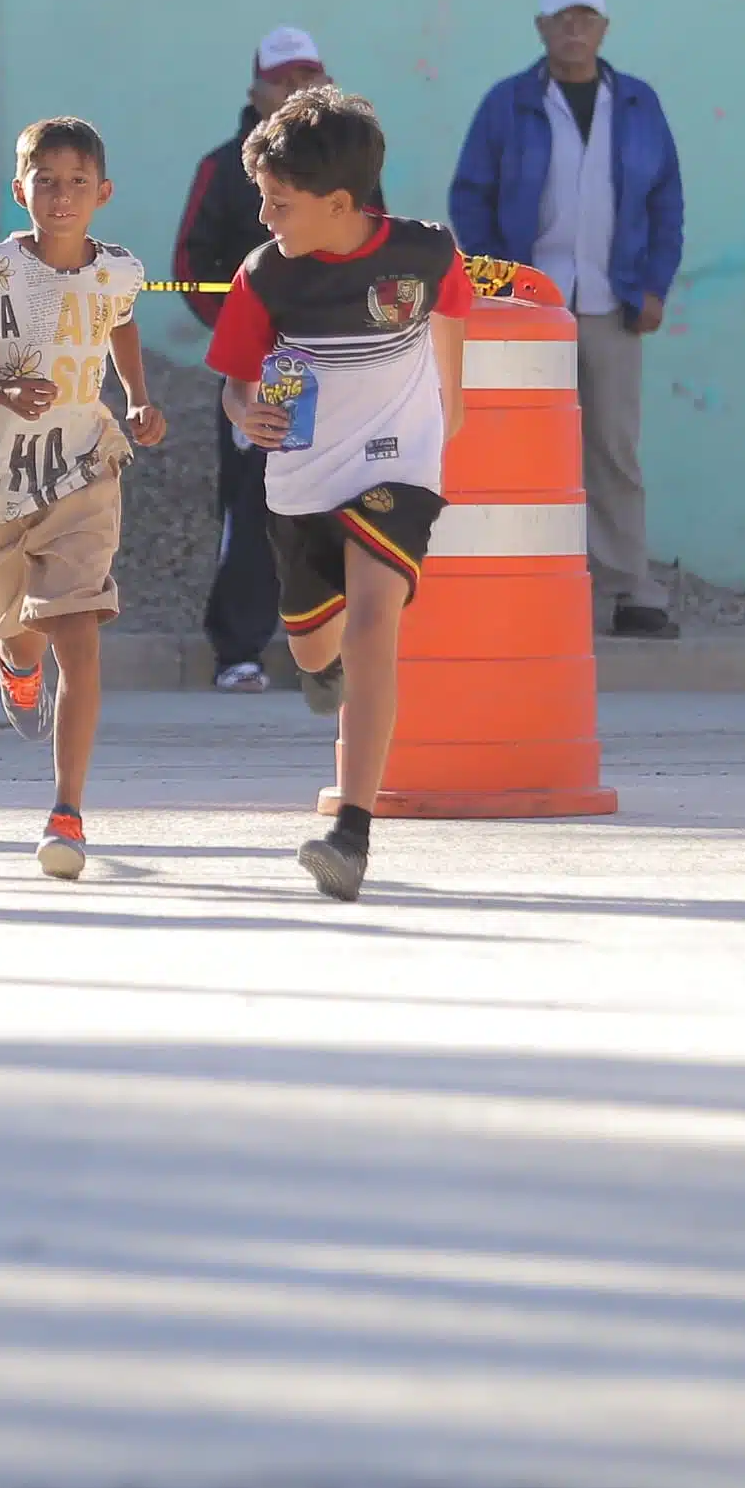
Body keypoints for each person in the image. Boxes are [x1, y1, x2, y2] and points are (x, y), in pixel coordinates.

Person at [206, 86, 473, 902]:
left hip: (398, 472)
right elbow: (235, 388)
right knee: (317, 651)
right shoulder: (264, 278)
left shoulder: (428, 256)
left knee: (371, 625)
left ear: (340, 204)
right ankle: (319, 675)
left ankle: (350, 833)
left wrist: (437, 439)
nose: (263, 218)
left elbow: (451, 353)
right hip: (300, 486)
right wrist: (247, 412)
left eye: (278, 203)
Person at [0, 117, 169, 880]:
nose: (61, 197)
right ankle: (15, 661)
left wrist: (137, 397)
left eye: (76, 183)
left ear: (102, 193)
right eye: (46, 182)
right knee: (18, 627)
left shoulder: (121, 272)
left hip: (84, 469)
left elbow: (123, 325)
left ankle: (67, 809)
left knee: (79, 633)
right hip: (2, 477)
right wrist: (4, 388)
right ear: (20, 190)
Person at [445, 0, 686, 639]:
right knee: (523, 448)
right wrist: (500, 282)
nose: (575, 29)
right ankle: (525, 582)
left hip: (614, 303)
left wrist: (655, 286)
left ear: (604, 28)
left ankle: (625, 589)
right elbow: (471, 194)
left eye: (586, 17)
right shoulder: (508, 104)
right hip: (530, 311)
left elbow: (666, 200)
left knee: (612, 446)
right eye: (563, 18)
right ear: (542, 28)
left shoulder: (638, 106)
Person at [176, 25, 330, 689]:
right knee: (254, 502)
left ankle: (328, 651)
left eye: (309, 79)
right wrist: (241, 339)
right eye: (285, 81)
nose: (298, 93)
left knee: (335, 500)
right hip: (260, 372)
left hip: (334, 366)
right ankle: (239, 650)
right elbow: (189, 264)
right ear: (257, 90)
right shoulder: (222, 168)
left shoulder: (349, 169)